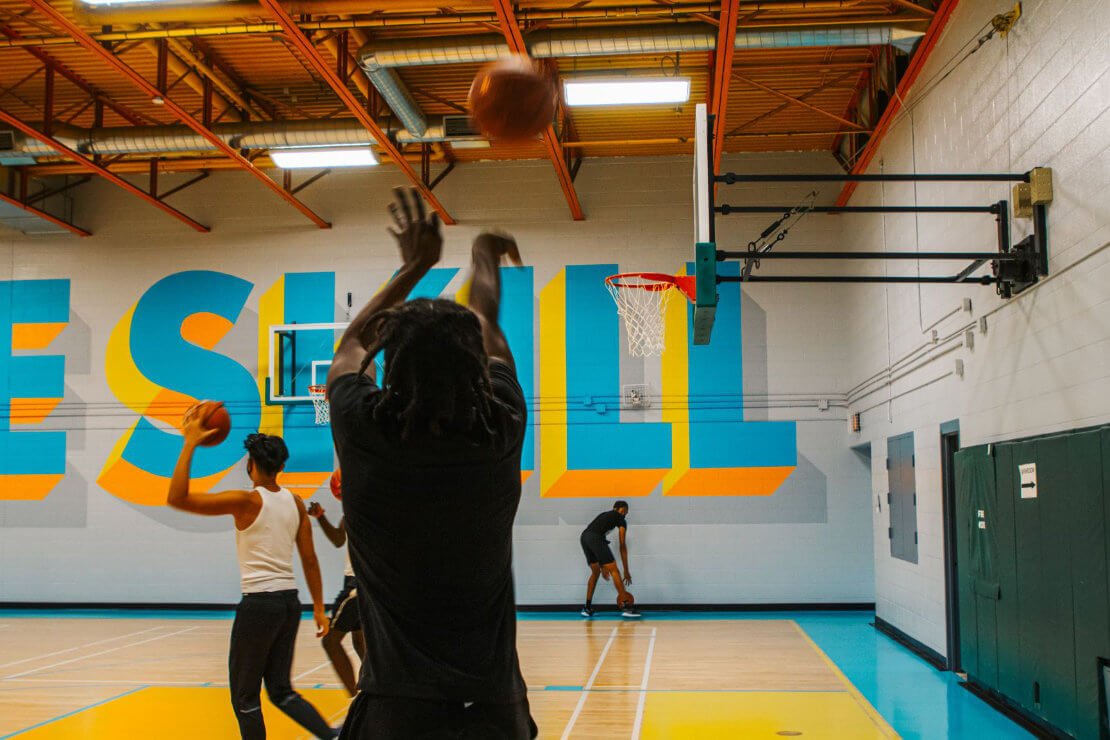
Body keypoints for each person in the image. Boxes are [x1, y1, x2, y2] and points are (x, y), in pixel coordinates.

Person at [326, 188, 536, 739]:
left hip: (397, 711)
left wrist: (414, 266)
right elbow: (488, 325)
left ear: (391, 366)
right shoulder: (501, 427)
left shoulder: (363, 426)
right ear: (475, 369)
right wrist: (484, 258)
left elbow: (352, 344)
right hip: (494, 710)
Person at [168, 419, 338, 740]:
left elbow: (177, 498)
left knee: (245, 698)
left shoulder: (247, 501)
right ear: (282, 466)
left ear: (250, 465)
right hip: (290, 603)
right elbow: (311, 560)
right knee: (281, 691)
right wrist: (318, 608)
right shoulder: (297, 503)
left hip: (259, 603)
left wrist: (190, 442)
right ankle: (331, 736)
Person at [306, 501, 365, 695]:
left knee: (331, 641)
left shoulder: (368, 510)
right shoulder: (351, 513)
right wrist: (321, 517)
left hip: (358, 583)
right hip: (355, 580)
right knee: (360, 642)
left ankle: (355, 702)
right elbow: (339, 540)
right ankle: (374, 697)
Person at [579, 501, 639, 618]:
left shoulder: (604, 515)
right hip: (595, 538)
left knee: (595, 573)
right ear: (616, 509)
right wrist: (626, 571)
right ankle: (626, 606)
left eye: (625, 513)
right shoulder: (620, 519)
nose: (624, 515)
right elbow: (622, 545)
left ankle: (587, 608)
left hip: (584, 537)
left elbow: (594, 533)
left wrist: (602, 565)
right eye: (623, 511)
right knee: (614, 570)